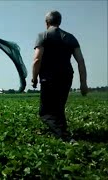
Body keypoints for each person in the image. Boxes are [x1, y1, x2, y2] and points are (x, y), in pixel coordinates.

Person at [32, 10, 88, 142]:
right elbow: (80, 61)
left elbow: (37, 60)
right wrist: (83, 83)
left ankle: (65, 138)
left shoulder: (43, 36)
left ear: (47, 23)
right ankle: (62, 132)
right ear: (59, 21)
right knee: (58, 107)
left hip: (49, 77)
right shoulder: (70, 37)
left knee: (45, 113)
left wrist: (34, 79)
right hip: (66, 76)